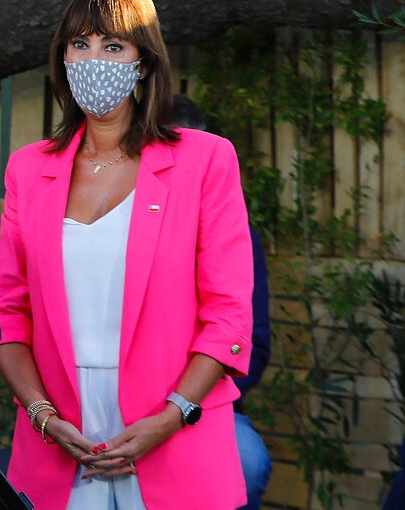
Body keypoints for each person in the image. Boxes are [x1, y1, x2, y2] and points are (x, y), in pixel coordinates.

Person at [0, 0, 254, 508]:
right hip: (59, 443)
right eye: (79, 45)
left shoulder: (206, 161)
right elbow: (7, 314)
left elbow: (228, 314)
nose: (93, 60)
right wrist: (43, 415)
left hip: (173, 432)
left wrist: (172, 416)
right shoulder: (28, 169)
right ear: (61, 57)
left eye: (112, 46)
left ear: (144, 62)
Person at [172, 93, 273, 510]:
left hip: (207, 405)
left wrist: (187, 401)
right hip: (111, 401)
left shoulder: (237, 234)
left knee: (247, 462)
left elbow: (256, 343)